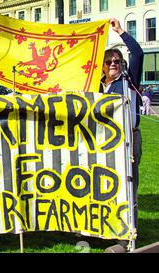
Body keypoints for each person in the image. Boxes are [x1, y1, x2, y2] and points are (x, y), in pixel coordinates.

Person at [101, 18, 144, 253]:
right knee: (107, 186)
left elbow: (137, 54)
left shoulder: (129, 80)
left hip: (129, 140)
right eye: (109, 61)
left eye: (117, 60)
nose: (114, 64)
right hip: (104, 144)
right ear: (103, 66)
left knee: (128, 187)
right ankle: (109, 229)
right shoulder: (98, 86)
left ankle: (127, 237)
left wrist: (120, 31)